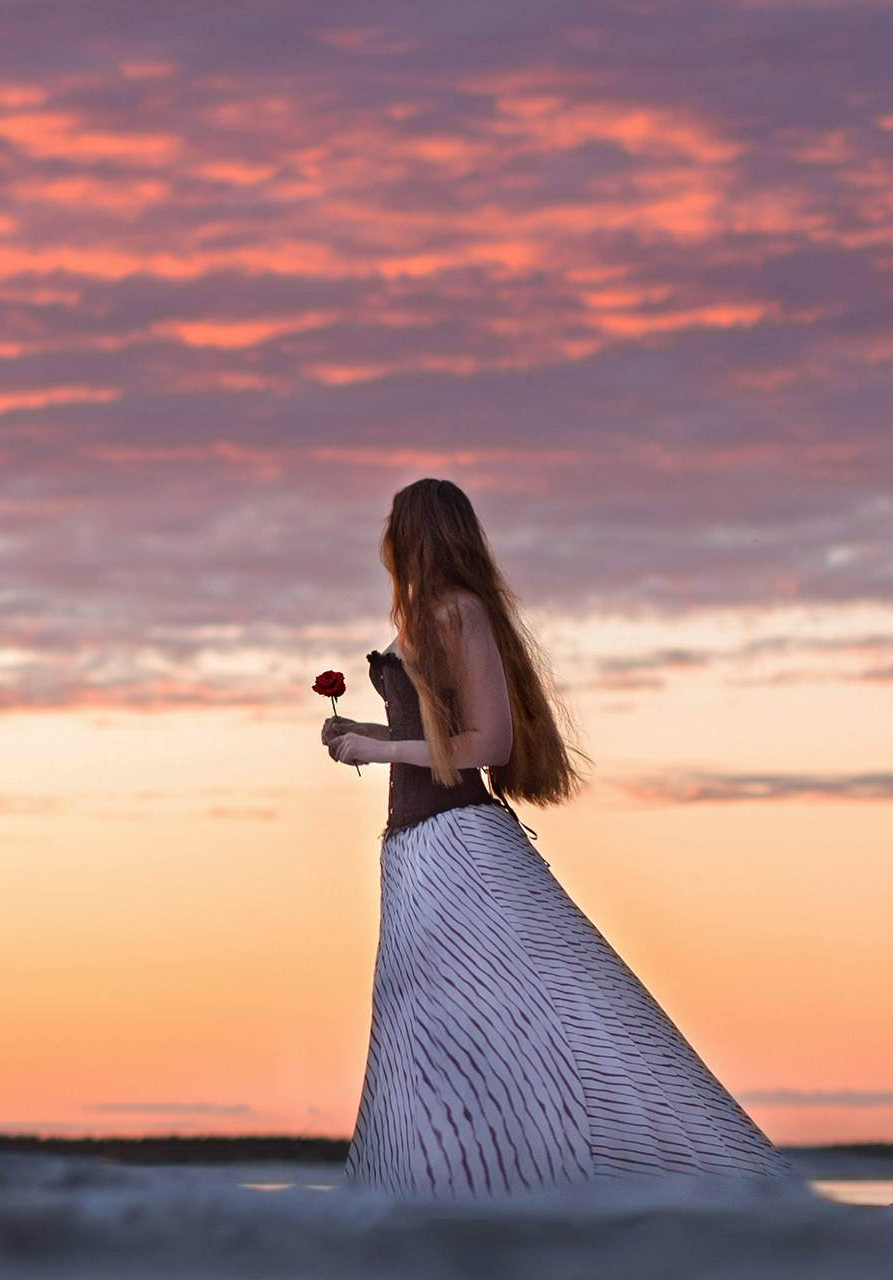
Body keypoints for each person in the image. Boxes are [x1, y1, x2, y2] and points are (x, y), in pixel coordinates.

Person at [322, 477, 797, 1197]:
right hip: (414, 848)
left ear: (413, 534)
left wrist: (378, 751)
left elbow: (487, 743)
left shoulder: (462, 612)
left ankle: (593, 1167)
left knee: (539, 1002)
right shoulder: (425, 617)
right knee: (430, 1019)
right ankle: (457, 1186)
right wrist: (364, 731)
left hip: (456, 844)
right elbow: (435, 733)